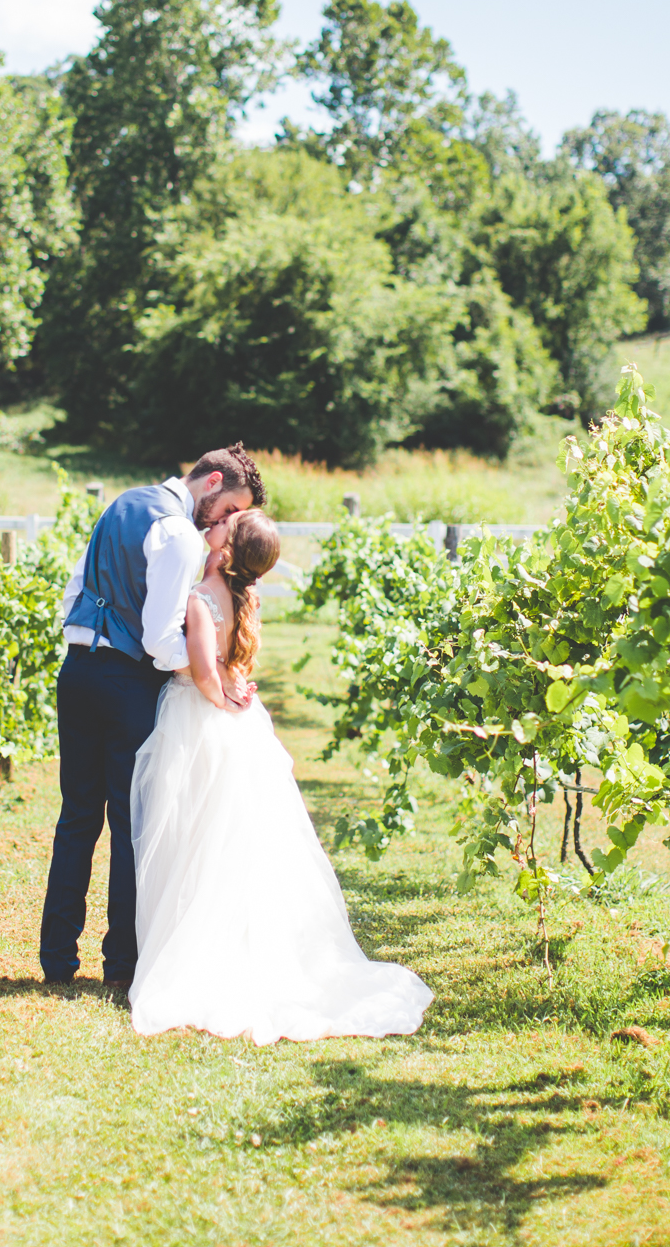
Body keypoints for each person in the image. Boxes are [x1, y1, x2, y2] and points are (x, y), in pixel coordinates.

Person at [128, 508, 433, 1043]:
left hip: (201, 721)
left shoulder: (201, 601)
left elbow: (201, 671)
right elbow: (229, 663)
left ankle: (195, 954)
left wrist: (219, 690)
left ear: (225, 550)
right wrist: (233, 686)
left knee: (197, 837)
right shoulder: (246, 597)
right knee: (233, 840)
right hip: (241, 722)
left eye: (226, 524)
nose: (215, 524)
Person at [39, 444, 266, 988]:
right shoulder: (180, 535)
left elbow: (75, 592)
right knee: (131, 825)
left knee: (75, 819)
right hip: (128, 683)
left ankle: (57, 962)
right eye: (232, 510)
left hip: (77, 672)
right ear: (212, 482)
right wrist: (216, 669)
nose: (229, 524)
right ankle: (122, 965)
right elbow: (161, 642)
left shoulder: (120, 504)